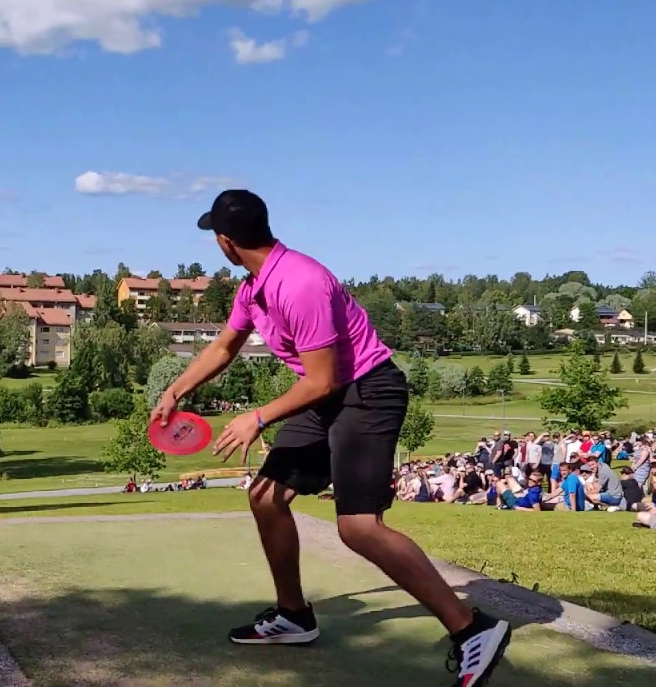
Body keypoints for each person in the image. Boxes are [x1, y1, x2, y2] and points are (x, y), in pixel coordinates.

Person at [152, 189, 510, 685]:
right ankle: (294, 615)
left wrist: (256, 418)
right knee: (266, 496)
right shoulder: (253, 287)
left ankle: (472, 628)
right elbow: (225, 345)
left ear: (226, 241)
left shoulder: (299, 282)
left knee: (359, 527)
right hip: (327, 397)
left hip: (367, 393)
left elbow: (325, 380)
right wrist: (177, 388)